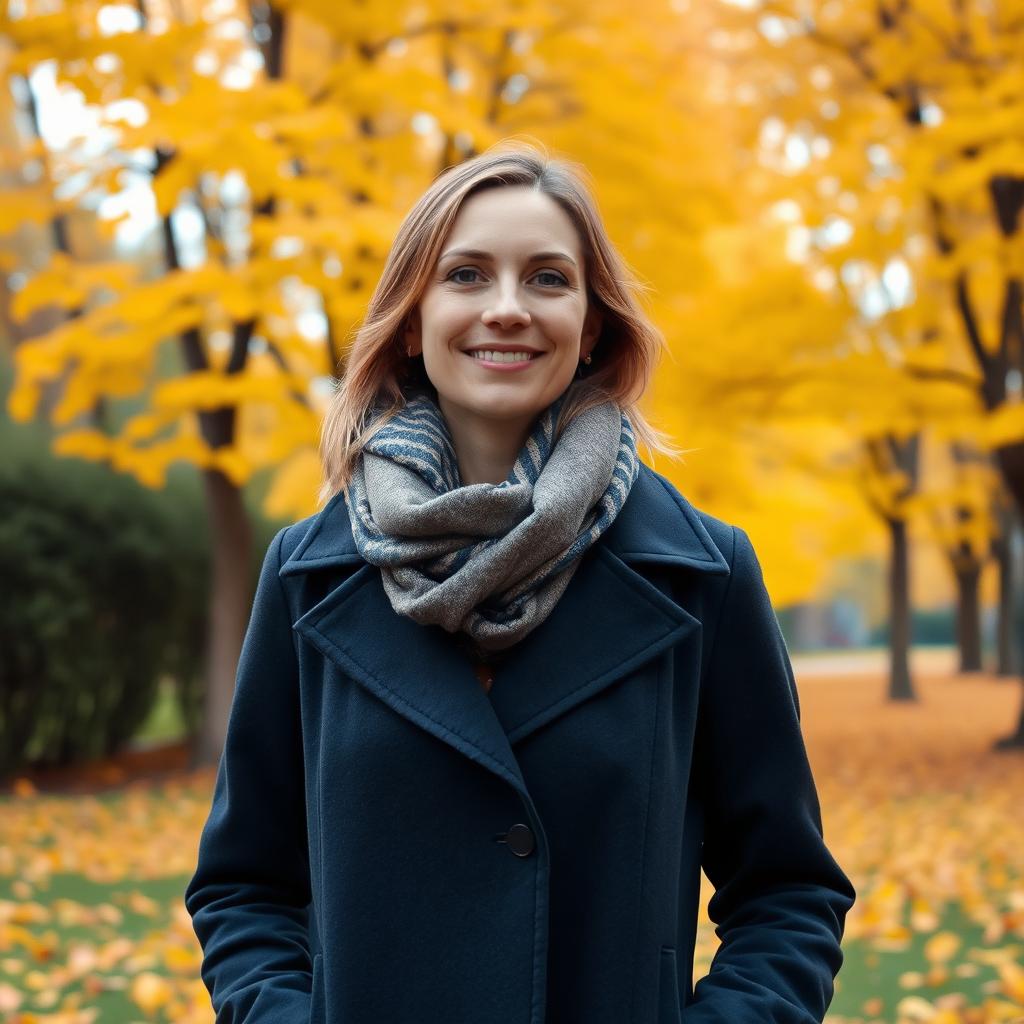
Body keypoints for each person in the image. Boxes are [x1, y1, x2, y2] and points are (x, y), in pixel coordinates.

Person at [184, 140, 856, 1024]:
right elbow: (244, 885)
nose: (507, 309)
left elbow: (788, 889)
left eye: (547, 279)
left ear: (591, 329)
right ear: (412, 322)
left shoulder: (703, 576)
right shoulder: (309, 578)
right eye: (466, 275)